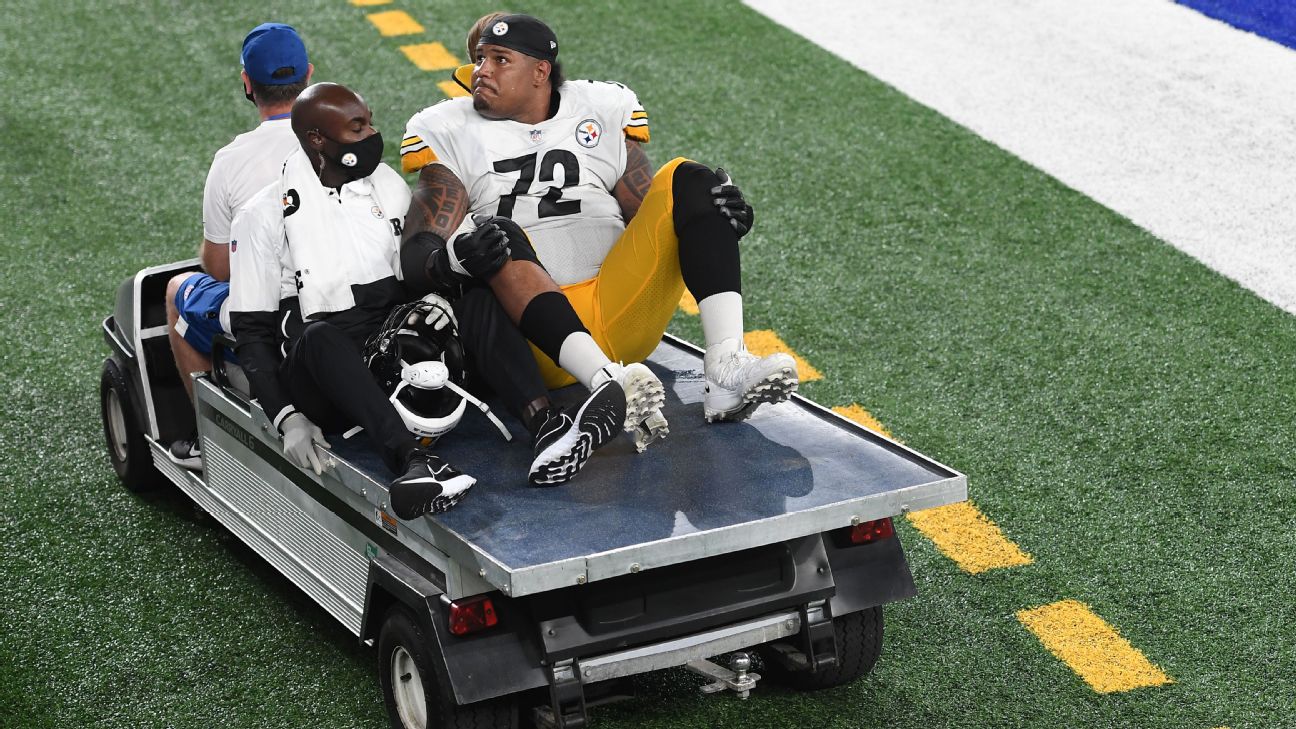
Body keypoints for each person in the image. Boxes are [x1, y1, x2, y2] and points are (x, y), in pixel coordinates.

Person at [400, 13, 798, 431]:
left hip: (624, 305)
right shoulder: (448, 128)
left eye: (499, 59)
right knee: (498, 232)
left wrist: (713, 220)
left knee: (692, 178)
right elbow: (416, 255)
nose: (482, 71)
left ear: (540, 72)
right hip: (539, 337)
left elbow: (652, 214)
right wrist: (454, 259)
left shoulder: (600, 109)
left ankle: (726, 368)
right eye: (480, 59)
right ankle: (606, 383)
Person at [163, 22, 313, 469]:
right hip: (345, 297)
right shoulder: (344, 134)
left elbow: (219, 269)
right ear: (309, 73)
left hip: (275, 312)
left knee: (177, 292)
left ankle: (210, 439)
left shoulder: (231, 160)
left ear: (247, 84)